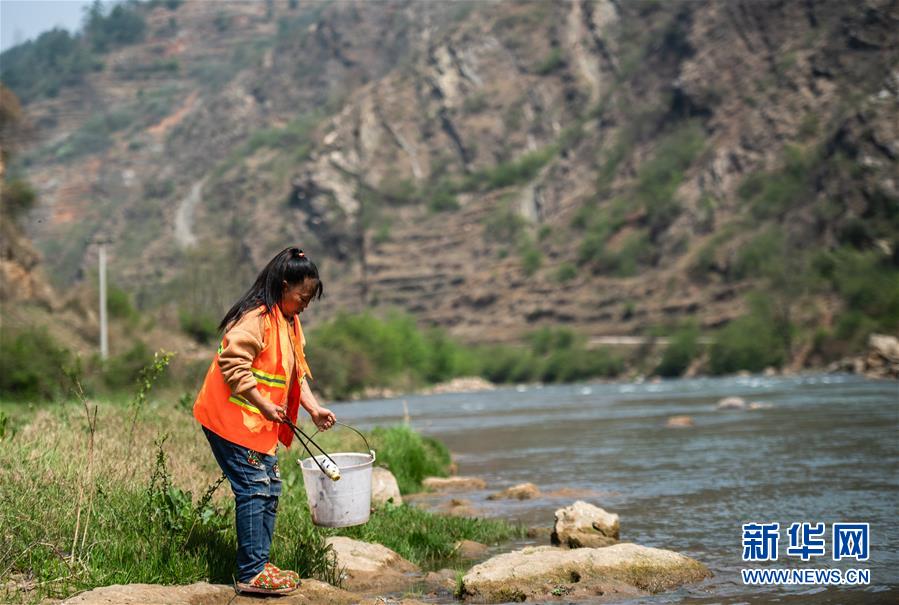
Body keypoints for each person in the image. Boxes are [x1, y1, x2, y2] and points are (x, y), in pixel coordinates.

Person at [193, 246, 336, 595]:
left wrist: (313, 409)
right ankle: (251, 573)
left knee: (271, 487)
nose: (305, 304)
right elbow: (233, 366)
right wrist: (262, 402)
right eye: (302, 296)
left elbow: (294, 374)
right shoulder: (256, 318)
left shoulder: (289, 322)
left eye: (309, 299)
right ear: (284, 286)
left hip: (257, 425)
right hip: (230, 419)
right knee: (255, 487)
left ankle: (259, 565)